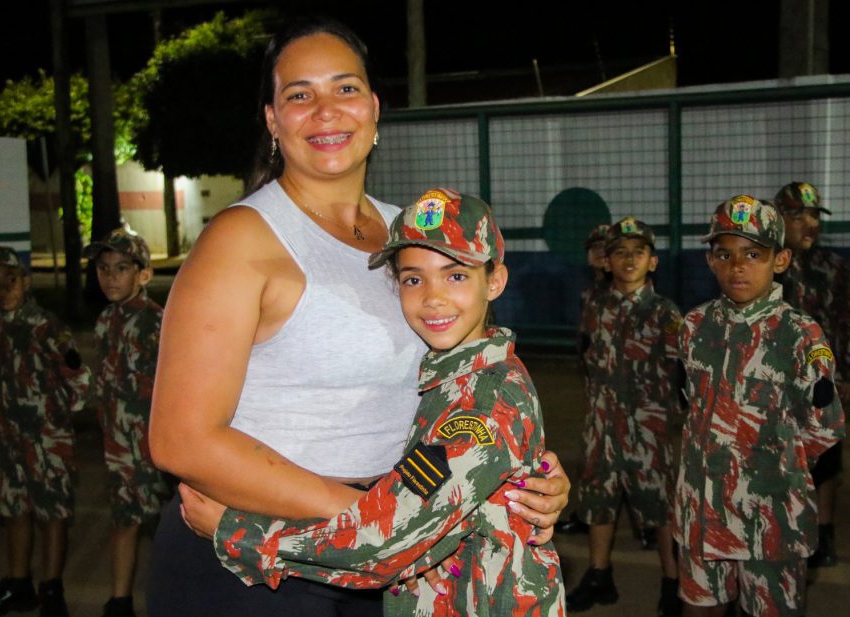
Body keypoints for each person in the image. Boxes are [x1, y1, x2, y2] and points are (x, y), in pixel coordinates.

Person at [146, 16, 570, 617]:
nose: (325, 111)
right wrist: (362, 514)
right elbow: (180, 439)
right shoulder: (241, 239)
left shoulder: (414, 238)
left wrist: (522, 478)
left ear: (373, 108)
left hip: (393, 553)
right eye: (299, 95)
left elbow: (467, 384)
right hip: (257, 562)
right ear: (273, 120)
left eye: (344, 89)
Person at [179, 188, 565, 616]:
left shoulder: (479, 403)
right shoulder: (452, 379)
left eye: (456, 275)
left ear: (494, 281)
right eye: (413, 278)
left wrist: (236, 532)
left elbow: (382, 544)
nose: (433, 297)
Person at [673, 195, 846, 617]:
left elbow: (825, 426)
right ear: (710, 260)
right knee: (700, 608)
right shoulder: (694, 327)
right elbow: (687, 401)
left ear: (781, 260)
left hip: (771, 517)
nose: (738, 266)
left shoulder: (800, 335)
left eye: (753, 254)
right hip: (703, 509)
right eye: (725, 254)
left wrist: (769, 465)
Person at [566, 217, 682, 616]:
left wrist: (663, 423)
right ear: (606, 261)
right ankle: (600, 575)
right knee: (599, 499)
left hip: (649, 430)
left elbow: (680, 377)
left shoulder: (666, 314)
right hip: (602, 425)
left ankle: (673, 581)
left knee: (662, 507)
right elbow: (586, 358)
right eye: (620, 252)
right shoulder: (594, 307)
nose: (629, 259)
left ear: (653, 262)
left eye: (638, 252)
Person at [0, 246, 91, 617]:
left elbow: (79, 379)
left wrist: (53, 421)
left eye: (10, 280)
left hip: (46, 441)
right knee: (15, 511)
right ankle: (18, 584)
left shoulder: (45, 327)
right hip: (8, 442)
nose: (3, 289)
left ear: (25, 281)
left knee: (52, 514)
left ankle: (51, 589)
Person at [85, 228, 171, 617]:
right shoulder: (106, 321)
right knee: (124, 522)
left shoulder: (158, 324)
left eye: (121, 268)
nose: (110, 277)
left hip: (155, 451)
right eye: (103, 268)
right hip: (119, 450)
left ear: (144, 275)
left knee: (166, 533)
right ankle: (119, 602)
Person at [773, 181, 847, 569]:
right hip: (777, 382)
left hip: (821, 382)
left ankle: (826, 532)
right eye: (799, 215)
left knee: (828, 455)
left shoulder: (833, 268)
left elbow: (844, 323)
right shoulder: (765, 265)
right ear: (779, 218)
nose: (809, 223)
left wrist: (845, 374)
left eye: (815, 215)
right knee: (781, 456)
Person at [556, 223, 610, 537]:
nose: (600, 255)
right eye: (595, 249)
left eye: (606, 249)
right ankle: (586, 512)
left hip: (624, 388)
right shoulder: (591, 291)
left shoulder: (620, 290)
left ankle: (648, 524)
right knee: (592, 450)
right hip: (595, 383)